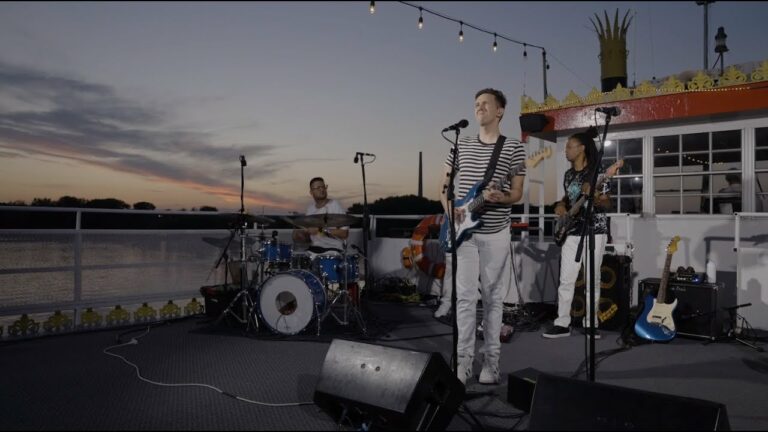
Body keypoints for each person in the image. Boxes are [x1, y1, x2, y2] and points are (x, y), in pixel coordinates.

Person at [439, 88, 526, 385]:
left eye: (486, 104)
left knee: (492, 299)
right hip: (464, 233)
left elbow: (517, 192)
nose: (479, 107)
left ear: (499, 111)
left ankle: (491, 362)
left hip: (495, 233)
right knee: (464, 298)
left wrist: (502, 197)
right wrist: (451, 211)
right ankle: (463, 362)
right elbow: (444, 186)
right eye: (476, 103)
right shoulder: (460, 144)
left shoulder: (513, 147)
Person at [543, 127, 618, 340]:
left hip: (595, 231)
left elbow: (607, 204)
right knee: (566, 279)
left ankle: (590, 324)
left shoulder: (598, 173)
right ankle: (562, 323)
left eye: (569, 146)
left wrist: (594, 196)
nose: (566, 150)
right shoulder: (568, 175)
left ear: (582, 148)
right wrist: (560, 205)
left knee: (593, 280)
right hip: (571, 232)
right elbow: (569, 199)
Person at [292, 177, 349, 253]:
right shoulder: (310, 209)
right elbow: (310, 238)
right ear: (311, 192)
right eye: (318, 188)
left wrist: (319, 230)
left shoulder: (334, 205)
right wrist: (301, 235)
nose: (322, 189)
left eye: (323, 187)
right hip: (314, 248)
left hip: (333, 249)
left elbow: (344, 234)